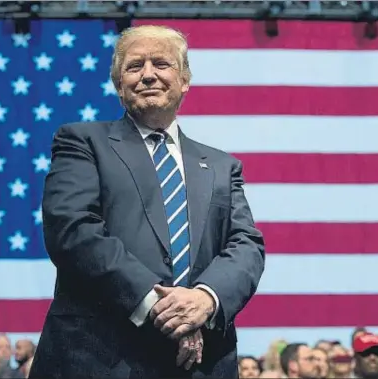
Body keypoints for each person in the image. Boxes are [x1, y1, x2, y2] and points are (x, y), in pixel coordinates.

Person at [29, 24, 265, 379]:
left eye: (161, 64)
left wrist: (206, 299)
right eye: (135, 66)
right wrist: (162, 307)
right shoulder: (82, 142)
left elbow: (245, 245)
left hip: (201, 363)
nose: (149, 75)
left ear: (185, 79)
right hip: (100, 357)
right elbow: (73, 231)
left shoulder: (221, 166)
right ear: (118, 84)